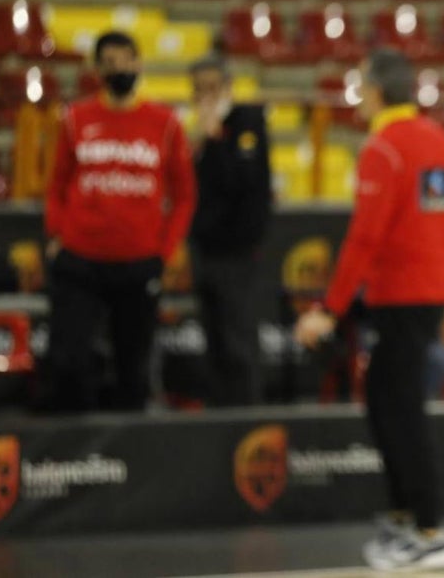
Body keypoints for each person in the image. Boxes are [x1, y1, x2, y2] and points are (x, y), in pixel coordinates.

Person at [294, 48, 444, 571]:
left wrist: (327, 311)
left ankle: (430, 530)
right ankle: (406, 519)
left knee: (400, 412)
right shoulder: (442, 143)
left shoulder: (383, 148)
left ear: (375, 91)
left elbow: (364, 239)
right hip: (431, 295)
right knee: (386, 402)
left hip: (400, 297)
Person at [42, 30, 196, 412]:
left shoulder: (165, 124)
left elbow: (185, 195)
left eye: (126, 60)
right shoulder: (75, 118)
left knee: (133, 367)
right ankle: (72, 452)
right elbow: (56, 184)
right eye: (109, 63)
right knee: (68, 360)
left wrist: (165, 247)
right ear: (97, 70)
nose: (119, 69)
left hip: (139, 262)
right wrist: (56, 233)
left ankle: (128, 454)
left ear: (139, 64)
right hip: (80, 258)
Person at [188, 55, 272, 406]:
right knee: (215, 341)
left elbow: (242, 182)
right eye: (199, 90)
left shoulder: (246, 123)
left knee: (238, 342)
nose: (206, 96)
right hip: (204, 249)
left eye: (213, 88)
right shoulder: (195, 134)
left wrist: (216, 140)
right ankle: (220, 415)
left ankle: (247, 415)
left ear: (228, 87)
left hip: (236, 251)